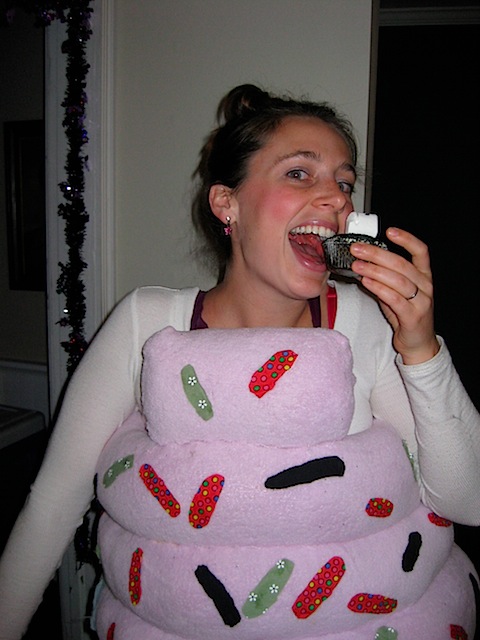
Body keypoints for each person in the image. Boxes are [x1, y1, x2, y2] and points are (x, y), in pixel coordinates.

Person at [0, 83, 479, 639]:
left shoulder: (364, 322)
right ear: (227, 203)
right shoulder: (148, 322)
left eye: (344, 183)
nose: (337, 199)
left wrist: (421, 349)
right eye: (299, 173)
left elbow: (466, 500)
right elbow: (52, 508)